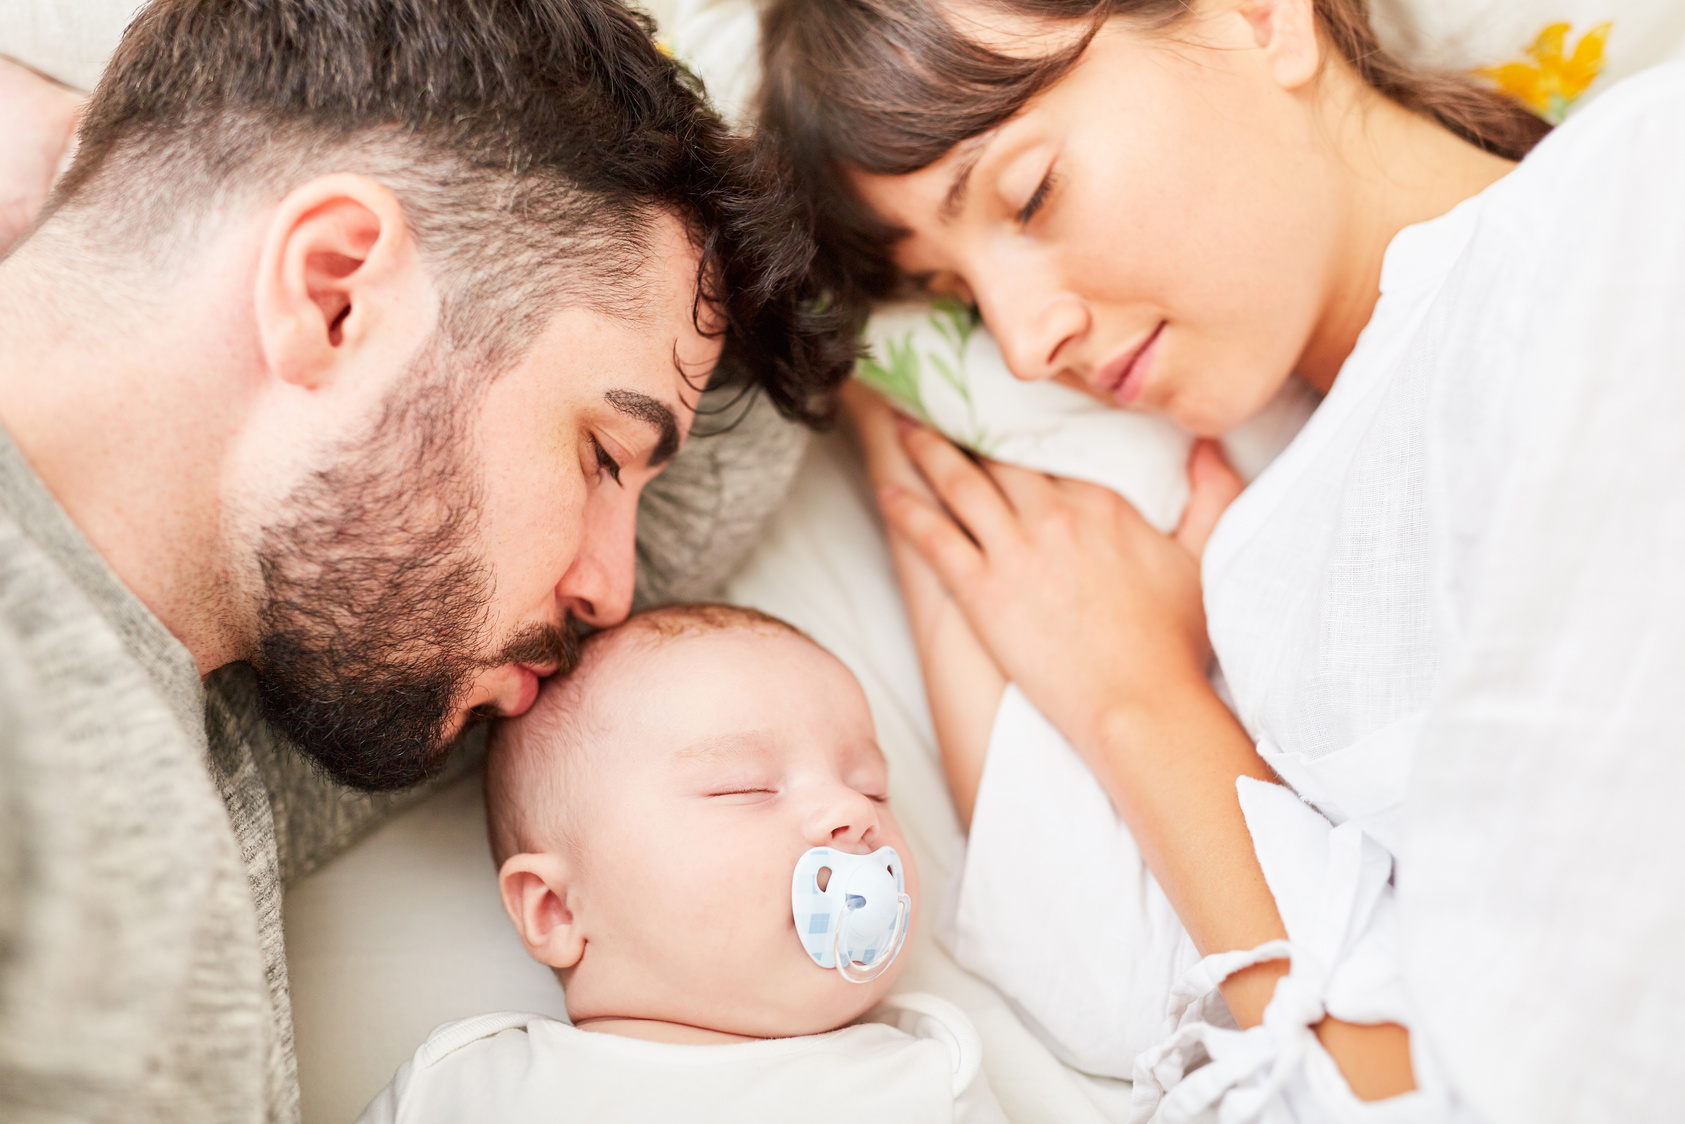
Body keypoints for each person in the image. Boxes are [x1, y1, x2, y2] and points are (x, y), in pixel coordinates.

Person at [759, 0, 1685, 1118]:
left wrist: (1140, 701)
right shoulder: (1249, 557)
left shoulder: (1628, 205)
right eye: (951, 295)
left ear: (1259, 18)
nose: (1017, 342)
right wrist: (1130, 695)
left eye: (1028, 192)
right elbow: (1126, 997)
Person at [0, 1, 848, 1120]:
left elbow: (798, 248)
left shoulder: (246, 708)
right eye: (602, 452)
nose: (616, 591)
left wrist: (76, 148)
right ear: (337, 291)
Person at [363, 603, 1003, 1123]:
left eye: (872, 787)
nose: (853, 810)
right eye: (745, 787)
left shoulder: (920, 1079)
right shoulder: (464, 1087)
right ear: (558, 908)